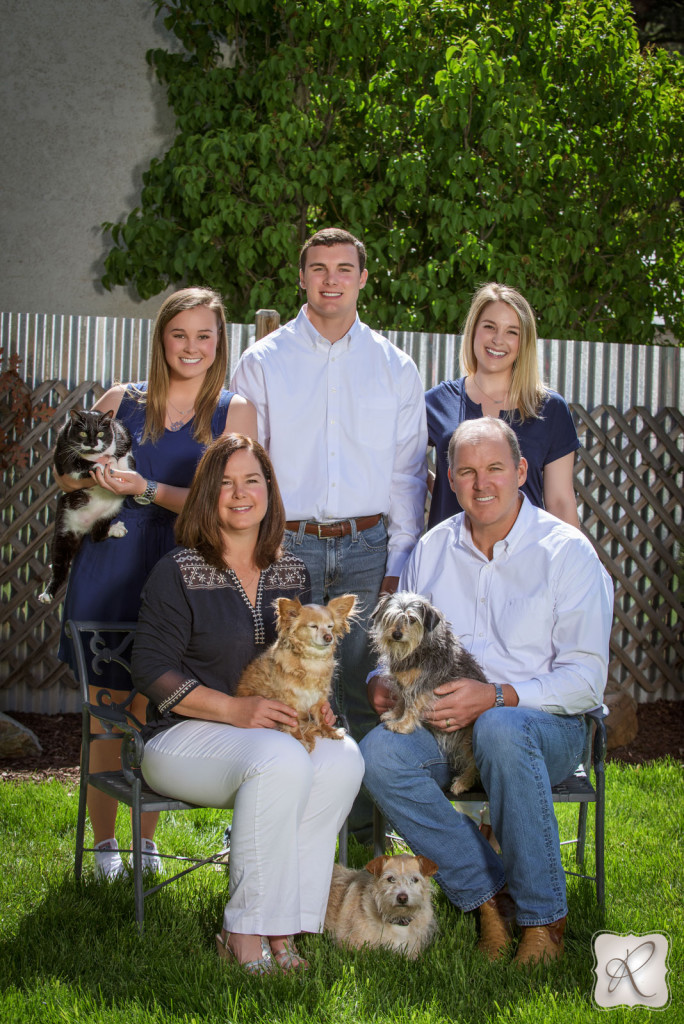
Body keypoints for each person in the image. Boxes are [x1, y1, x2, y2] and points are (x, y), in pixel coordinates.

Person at [361, 418, 613, 965]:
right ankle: (488, 896)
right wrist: (382, 682)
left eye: (496, 468)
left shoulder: (566, 552)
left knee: (500, 728)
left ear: (521, 472)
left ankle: (545, 920)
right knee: (379, 754)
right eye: (467, 471)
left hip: (546, 726)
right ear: (450, 480)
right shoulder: (432, 549)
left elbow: (587, 680)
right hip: (441, 722)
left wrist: (498, 696)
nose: (482, 484)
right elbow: (397, 639)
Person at [132, 434, 364, 974]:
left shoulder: (292, 573)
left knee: (342, 759)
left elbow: (301, 666)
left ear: (269, 491)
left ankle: (286, 926)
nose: (240, 494)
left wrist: (314, 707)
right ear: (207, 495)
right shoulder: (179, 569)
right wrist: (235, 711)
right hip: (181, 739)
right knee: (280, 759)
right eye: (226, 483)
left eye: (252, 481)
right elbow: (150, 671)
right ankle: (242, 933)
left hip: (269, 737)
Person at [231, 227, 427, 840]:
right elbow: (251, 464)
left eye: (345, 268)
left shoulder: (395, 366)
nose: (332, 279)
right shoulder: (263, 361)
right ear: (301, 278)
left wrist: (397, 561)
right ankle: (276, 832)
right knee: (284, 683)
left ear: (363, 279)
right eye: (319, 268)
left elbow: (406, 472)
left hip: (369, 546)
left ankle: (363, 841)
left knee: (365, 687)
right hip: (287, 545)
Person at [57, 287, 256, 881]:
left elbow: (223, 499)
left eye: (205, 336)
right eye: (179, 334)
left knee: (154, 707)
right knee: (106, 710)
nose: (191, 347)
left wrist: (142, 488)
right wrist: (88, 477)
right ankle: (104, 849)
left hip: (178, 571)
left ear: (219, 343)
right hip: (109, 566)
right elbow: (70, 481)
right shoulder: (122, 398)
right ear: (161, 338)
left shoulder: (232, 411)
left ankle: (146, 840)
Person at [426, 282, 580, 529]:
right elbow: (401, 469)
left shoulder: (550, 408)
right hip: (451, 556)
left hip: (523, 556)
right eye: (489, 327)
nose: (498, 340)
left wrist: (575, 564)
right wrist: (443, 486)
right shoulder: (438, 402)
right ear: (474, 329)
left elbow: (560, 501)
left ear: (524, 342)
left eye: (512, 332)